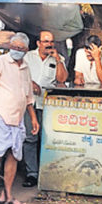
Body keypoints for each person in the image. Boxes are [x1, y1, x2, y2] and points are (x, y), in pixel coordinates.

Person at [0, 32, 39, 204]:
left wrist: (33, 119)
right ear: (9, 47)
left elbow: (28, 97)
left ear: (26, 50)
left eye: (20, 48)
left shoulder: (26, 67)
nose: (16, 51)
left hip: (18, 118)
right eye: (14, 47)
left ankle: (6, 195)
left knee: (14, 155)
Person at [22, 30, 67, 187]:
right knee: (30, 137)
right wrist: (31, 83)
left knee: (46, 138)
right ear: (38, 43)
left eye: (51, 41)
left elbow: (62, 79)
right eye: (46, 41)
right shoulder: (28, 57)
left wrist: (58, 60)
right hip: (29, 103)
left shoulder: (57, 59)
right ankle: (32, 173)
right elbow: (20, 75)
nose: (49, 44)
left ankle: (46, 172)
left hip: (47, 104)